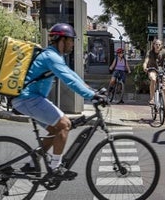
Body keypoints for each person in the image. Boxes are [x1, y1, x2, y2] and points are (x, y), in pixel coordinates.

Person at [11, 23, 104, 179]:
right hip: (28, 99)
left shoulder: (54, 56)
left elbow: (72, 75)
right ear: (61, 40)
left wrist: (92, 92)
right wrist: (91, 96)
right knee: (64, 124)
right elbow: (69, 80)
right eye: (70, 40)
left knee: (55, 130)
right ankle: (55, 168)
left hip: (30, 99)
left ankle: (32, 163)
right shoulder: (51, 57)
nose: (73, 44)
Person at [142, 39, 165, 120]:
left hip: (161, 71)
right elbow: (146, 61)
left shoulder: (163, 51)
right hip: (152, 69)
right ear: (153, 45)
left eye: (159, 44)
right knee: (153, 79)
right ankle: (152, 99)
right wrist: (145, 68)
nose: (158, 46)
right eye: (156, 44)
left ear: (161, 45)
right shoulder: (150, 52)